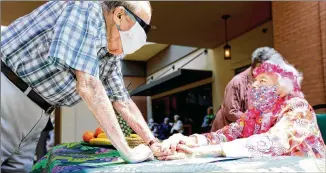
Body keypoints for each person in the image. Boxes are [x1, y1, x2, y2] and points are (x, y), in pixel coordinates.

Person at [1, 1, 161, 172]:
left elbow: (122, 101)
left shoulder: (110, 50)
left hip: (37, 112)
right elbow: (89, 86)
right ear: (119, 14)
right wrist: (127, 152)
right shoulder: (85, 9)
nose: (142, 36)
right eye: (141, 27)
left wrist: (153, 143)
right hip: (8, 92)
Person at [157, 48, 325, 160]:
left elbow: (275, 141)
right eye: (254, 80)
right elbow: (225, 134)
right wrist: (188, 141)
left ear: (282, 84)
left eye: (262, 80)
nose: (254, 85)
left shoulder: (297, 106)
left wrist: (202, 152)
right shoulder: (257, 113)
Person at [211, 47, 283, 131]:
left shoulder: (266, 81)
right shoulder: (237, 82)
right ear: (258, 66)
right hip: (228, 129)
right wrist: (254, 121)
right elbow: (231, 112)